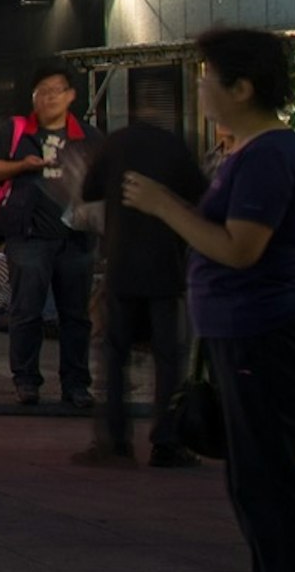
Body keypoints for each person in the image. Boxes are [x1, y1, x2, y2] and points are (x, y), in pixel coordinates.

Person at [122, 27, 295, 572]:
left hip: (265, 334)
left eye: (207, 75)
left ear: (242, 87)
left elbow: (239, 247)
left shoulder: (266, 156)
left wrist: (166, 204)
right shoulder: (249, 152)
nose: (199, 86)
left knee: (274, 484)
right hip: (244, 332)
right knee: (254, 481)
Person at [76, 102, 207, 469]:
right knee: (168, 357)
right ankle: (166, 440)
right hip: (166, 264)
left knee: (115, 355)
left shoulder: (114, 144)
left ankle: (116, 441)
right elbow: (200, 192)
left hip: (122, 262)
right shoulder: (175, 146)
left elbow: (89, 190)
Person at [0, 63, 96, 408]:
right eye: (41, 92)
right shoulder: (17, 132)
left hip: (77, 237)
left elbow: (106, 177)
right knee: (26, 310)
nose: (48, 98)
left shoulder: (88, 136)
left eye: (55, 91)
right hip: (28, 237)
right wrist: (23, 166)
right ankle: (26, 380)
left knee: (75, 315)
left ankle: (76, 384)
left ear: (71, 96)